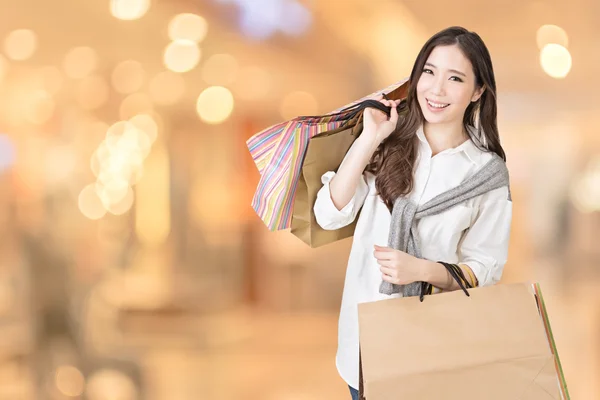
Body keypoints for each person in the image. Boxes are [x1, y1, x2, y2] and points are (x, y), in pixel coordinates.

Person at [313, 26, 513, 399]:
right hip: (363, 344)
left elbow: (486, 267)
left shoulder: (487, 175)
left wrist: (422, 271)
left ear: (478, 92)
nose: (436, 90)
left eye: (455, 78)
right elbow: (329, 214)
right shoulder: (387, 145)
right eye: (429, 72)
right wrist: (369, 137)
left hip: (435, 348)